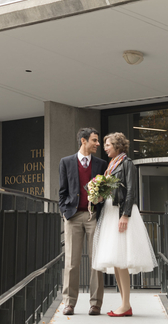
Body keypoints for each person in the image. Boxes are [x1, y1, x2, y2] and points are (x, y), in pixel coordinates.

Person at [93, 132, 156, 317]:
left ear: (118, 146)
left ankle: (126, 304)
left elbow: (131, 191)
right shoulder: (112, 165)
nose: (105, 147)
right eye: (104, 144)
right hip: (111, 212)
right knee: (117, 261)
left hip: (121, 213)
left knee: (122, 261)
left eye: (108, 144)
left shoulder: (127, 163)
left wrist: (125, 215)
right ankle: (124, 304)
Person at [59, 127, 108, 316]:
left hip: (93, 215)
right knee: (72, 261)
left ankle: (96, 303)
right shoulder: (65, 162)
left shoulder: (101, 164)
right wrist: (64, 211)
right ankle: (69, 302)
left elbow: (105, 191)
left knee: (96, 260)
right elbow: (62, 191)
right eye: (94, 140)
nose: (98, 144)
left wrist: (100, 199)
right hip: (73, 216)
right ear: (83, 141)